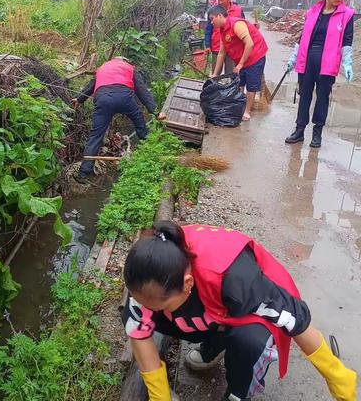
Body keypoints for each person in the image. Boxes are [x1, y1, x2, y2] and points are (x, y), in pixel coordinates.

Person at [122, 220, 357, 401]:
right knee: (136, 316)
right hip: (211, 305)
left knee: (249, 342)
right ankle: (213, 347)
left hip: (249, 306)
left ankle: (239, 392)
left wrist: (337, 375)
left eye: (157, 305)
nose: (146, 308)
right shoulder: (150, 274)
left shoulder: (239, 281)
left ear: (187, 284)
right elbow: (139, 332)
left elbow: (296, 321)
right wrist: (160, 396)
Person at [285, 0, 355, 148]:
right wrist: (293, 58)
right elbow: (303, 37)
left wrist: (347, 62)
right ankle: (299, 130)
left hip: (328, 62)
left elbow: (347, 41)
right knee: (304, 95)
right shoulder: (313, 12)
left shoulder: (347, 15)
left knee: (322, 97)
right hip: (308, 59)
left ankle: (317, 133)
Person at [72, 57, 164, 183]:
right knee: (140, 122)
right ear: (125, 61)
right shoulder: (130, 68)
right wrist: (156, 112)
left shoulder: (102, 68)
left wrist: (79, 99)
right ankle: (149, 153)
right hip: (125, 99)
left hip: (103, 100)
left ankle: (84, 173)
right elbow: (142, 92)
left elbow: (91, 86)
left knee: (96, 136)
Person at [208, 5, 268, 121]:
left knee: (251, 85)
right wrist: (215, 74)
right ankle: (240, 105)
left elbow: (249, 44)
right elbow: (221, 53)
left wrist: (240, 64)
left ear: (220, 16)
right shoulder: (222, 30)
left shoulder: (236, 25)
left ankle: (247, 111)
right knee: (240, 82)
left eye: (212, 19)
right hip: (242, 58)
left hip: (255, 56)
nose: (211, 22)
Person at [205, 0, 245, 75]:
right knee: (215, 73)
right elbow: (208, 29)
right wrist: (208, 45)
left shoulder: (238, 10)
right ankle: (215, 86)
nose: (219, 2)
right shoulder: (214, 11)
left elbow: (243, 26)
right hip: (217, 46)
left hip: (232, 47)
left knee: (230, 73)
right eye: (218, 0)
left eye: (222, 0)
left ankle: (230, 87)